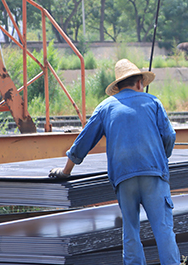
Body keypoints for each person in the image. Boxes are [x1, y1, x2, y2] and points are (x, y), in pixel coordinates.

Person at [49, 59, 180, 265]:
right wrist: (161, 158)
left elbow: (83, 142)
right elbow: (169, 136)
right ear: (139, 84)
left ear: (117, 87)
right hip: (154, 176)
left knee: (131, 231)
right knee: (163, 230)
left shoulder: (105, 108)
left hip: (123, 177)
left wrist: (65, 171)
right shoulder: (153, 102)